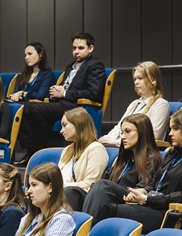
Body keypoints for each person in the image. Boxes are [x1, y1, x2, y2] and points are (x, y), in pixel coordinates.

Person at [82, 109, 182, 233]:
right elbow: (155, 181)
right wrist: (144, 190)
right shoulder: (171, 155)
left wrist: (147, 199)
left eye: (175, 128)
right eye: (170, 129)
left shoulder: (153, 158)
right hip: (150, 203)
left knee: (104, 202)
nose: (170, 133)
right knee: (76, 192)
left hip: (164, 212)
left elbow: (178, 196)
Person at [18, 32, 106, 161]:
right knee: (22, 107)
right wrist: (55, 91)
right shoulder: (70, 66)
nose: (76, 51)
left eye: (80, 48)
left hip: (76, 105)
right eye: (74, 48)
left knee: (34, 109)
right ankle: (31, 150)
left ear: (90, 48)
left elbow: (94, 93)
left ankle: (39, 151)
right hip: (61, 102)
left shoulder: (95, 65)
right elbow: (65, 86)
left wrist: (64, 93)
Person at [0, 162, 76, 236]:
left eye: (34, 185)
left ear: (50, 187)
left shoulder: (62, 220)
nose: (28, 191)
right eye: (29, 186)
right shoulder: (29, 217)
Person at [83, 113, 161, 222]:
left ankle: (86, 231)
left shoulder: (152, 159)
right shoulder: (123, 159)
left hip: (130, 198)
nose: (123, 137)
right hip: (110, 196)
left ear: (142, 132)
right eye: (122, 132)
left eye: (128, 131)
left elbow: (144, 187)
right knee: (72, 191)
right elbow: (106, 179)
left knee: (102, 186)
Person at [98, 61, 169, 146]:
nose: (136, 82)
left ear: (153, 80)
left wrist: (117, 142)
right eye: (135, 79)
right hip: (123, 146)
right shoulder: (135, 103)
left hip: (141, 150)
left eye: (140, 78)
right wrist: (106, 139)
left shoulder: (161, 104)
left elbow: (153, 135)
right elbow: (118, 128)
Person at [58, 107, 109, 210]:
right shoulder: (67, 150)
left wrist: (60, 187)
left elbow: (90, 184)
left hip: (79, 197)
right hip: (59, 194)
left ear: (78, 124)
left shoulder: (96, 148)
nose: (61, 131)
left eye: (64, 125)